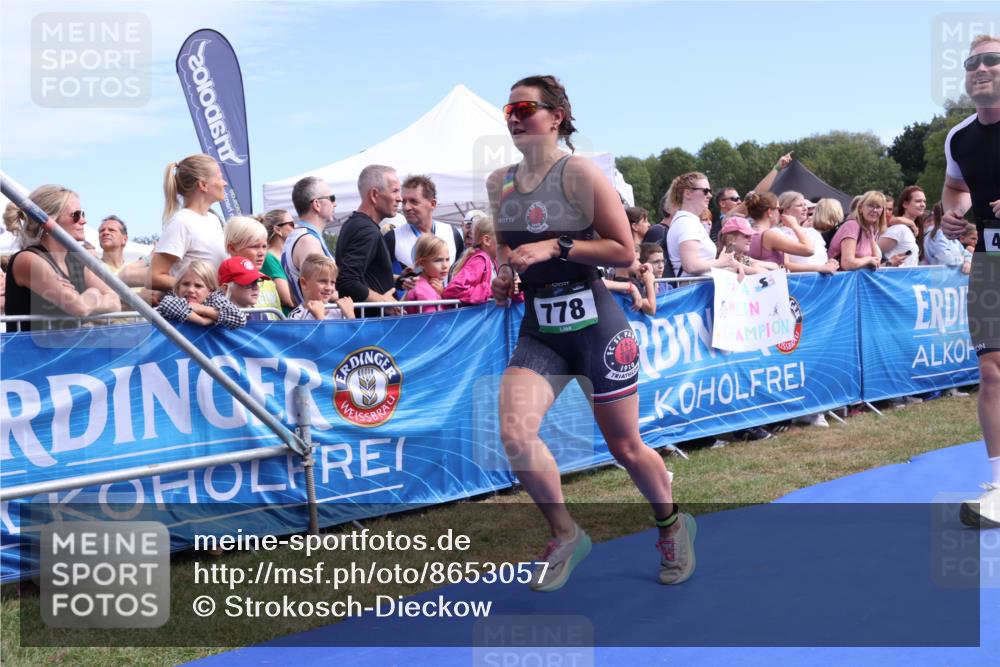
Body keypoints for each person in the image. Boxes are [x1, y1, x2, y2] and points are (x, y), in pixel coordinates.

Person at [488, 74, 695, 592]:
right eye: (508, 111)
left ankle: (673, 525)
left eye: (524, 109)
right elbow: (506, 246)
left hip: (596, 325)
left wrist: (556, 247)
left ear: (556, 117)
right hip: (542, 327)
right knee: (515, 432)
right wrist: (505, 272)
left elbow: (624, 251)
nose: (514, 118)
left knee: (625, 446)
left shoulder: (578, 172)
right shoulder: (501, 183)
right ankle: (566, 535)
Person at [939, 33, 1000, 529]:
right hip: (993, 261)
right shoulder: (959, 137)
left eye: (992, 59)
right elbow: (955, 187)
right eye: (971, 62)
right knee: (992, 371)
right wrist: (952, 214)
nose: (979, 68)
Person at [3, 185, 120, 330]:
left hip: (67, 345)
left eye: (83, 214)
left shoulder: (76, 260)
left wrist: (87, 299)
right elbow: (79, 307)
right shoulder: (28, 259)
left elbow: (115, 301)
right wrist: (94, 292)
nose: (83, 221)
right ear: (51, 219)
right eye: (76, 215)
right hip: (31, 345)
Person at [151, 154, 228, 291]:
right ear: (203, 185)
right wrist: (199, 289)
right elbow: (155, 277)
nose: (224, 183)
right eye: (219, 177)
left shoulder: (214, 220)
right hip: (193, 304)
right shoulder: (181, 222)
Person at [335, 165, 400, 317]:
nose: (400, 198)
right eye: (395, 191)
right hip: (372, 325)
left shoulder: (354, 224)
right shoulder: (366, 230)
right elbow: (347, 280)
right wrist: (383, 302)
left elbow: (363, 276)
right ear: (374, 194)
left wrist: (398, 280)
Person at [384, 175, 465, 280]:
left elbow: (459, 276)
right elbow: (378, 277)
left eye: (414, 201)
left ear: (433, 204)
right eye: (404, 202)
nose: (406, 207)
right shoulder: (392, 238)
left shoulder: (452, 233)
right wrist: (402, 280)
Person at [666, 172, 743, 278]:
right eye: (705, 191)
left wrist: (730, 267)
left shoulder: (689, 221)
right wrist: (722, 262)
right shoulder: (686, 223)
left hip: (701, 285)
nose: (710, 195)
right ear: (687, 193)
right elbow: (691, 266)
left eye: (709, 191)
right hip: (697, 287)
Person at [282, 176, 337, 305]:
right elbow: (318, 292)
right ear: (317, 204)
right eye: (331, 198)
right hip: (318, 316)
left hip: (311, 314)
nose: (335, 204)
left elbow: (294, 296)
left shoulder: (297, 237)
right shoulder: (308, 241)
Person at [156, 259, 245, 329]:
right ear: (178, 285)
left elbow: (239, 318)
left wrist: (203, 309)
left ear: (210, 289)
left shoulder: (214, 298)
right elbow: (166, 304)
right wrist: (201, 320)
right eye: (185, 284)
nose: (190, 290)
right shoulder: (175, 296)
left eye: (198, 286)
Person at [224, 216, 282, 319]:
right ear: (232, 249)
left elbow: (278, 320)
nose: (261, 253)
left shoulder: (268, 282)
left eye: (264, 246)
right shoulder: (225, 283)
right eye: (254, 246)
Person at [745, 191, 814, 269]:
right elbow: (809, 250)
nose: (781, 214)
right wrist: (795, 226)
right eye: (779, 210)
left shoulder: (747, 233)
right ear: (769, 212)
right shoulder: (769, 235)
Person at [443, 214, 501, 305]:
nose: (508, 243)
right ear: (487, 240)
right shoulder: (479, 261)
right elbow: (453, 290)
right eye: (502, 238)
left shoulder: (495, 261)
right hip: (477, 314)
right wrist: (491, 290)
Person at [776, 192, 838, 274]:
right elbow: (784, 265)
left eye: (805, 205)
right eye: (799, 205)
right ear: (785, 210)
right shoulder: (778, 233)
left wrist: (830, 263)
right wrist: (820, 268)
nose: (805, 208)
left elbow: (819, 261)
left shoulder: (813, 232)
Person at [829, 191, 886, 270]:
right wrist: (868, 260)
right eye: (870, 206)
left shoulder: (871, 229)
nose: (875, 210)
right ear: (860, 208)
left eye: (878, 207)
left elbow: (876, 260)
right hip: (839, 276)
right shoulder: (852, 226)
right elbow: (847, 263)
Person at [287, 254, 355, 320]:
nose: (328, 288)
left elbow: (355, 328)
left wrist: (350, 316)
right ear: (304, 283)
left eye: (332, 282)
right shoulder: (297, 317)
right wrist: (320, 317)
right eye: (322, 281)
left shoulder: (339, 310)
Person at [403, 235, 452, 314]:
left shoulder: (429, 285)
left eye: (447, 259)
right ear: (422, 263)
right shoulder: (423, 289)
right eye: (438, 260)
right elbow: (433, 319)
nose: (445, 266)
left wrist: (443, 294)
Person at [260, 209, 296, 313]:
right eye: (291, 224)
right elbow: (289, 300)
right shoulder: (269, 258)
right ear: (278, 230)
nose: (296, 228)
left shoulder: (288, 256)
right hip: (286, 319)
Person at [879, 186, 925, 267]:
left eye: (924, 201)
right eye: (918, 201)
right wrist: (888, 263)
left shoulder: (911, 228)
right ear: (905, 204)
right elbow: (871, 253)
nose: (923, 205)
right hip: (894, 274)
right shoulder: (899, 228)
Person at [924, 203, 973, 272]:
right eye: (957, 216)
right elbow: (948, 261)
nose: (960, 218)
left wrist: (968, 262)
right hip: (939, 277)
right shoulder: (938, 235)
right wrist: (965, 260)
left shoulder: (951, 236)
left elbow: (968, 254)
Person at [218, 256, 269, 320]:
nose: (256, 288)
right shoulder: (215, 317)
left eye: (256, 282)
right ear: (226, 288)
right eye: (248, 283)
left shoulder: (261, 316)